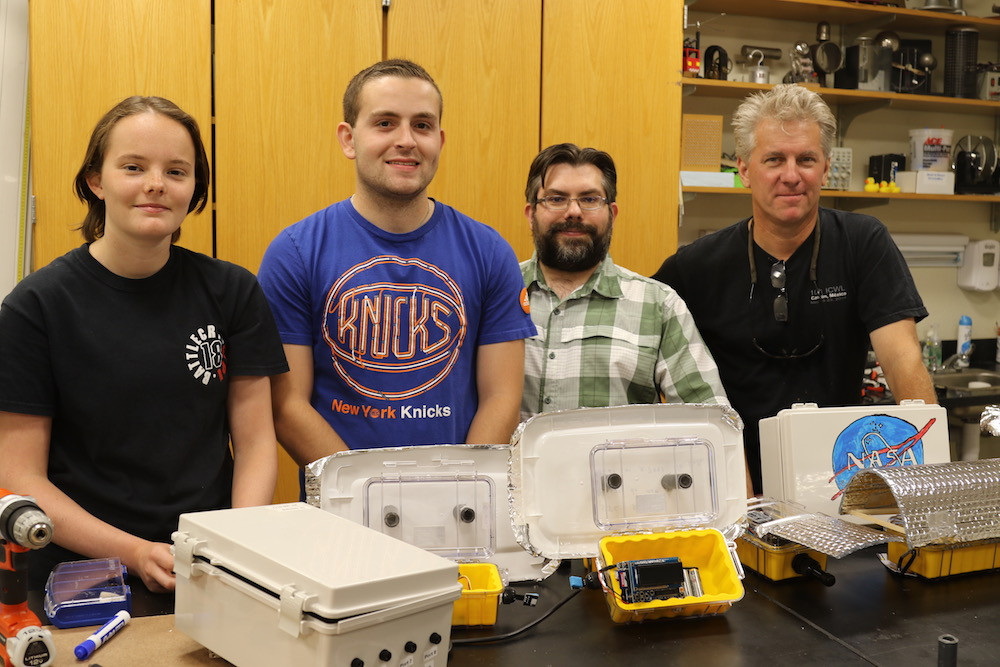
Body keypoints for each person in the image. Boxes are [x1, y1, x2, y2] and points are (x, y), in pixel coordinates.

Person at [0, 97, 288, 591]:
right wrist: (133, 552)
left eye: (176, 171)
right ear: (96, 180)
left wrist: (236, 547)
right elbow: (20, 476)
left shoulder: (233, 291)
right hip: (83, 572)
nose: (156, 184)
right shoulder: (36, 307)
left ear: (194, 187)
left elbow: (256, 442)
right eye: (133, 167)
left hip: (210, 564)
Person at [653, 84, 936, 495]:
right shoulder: (694, 267)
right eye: (774, 159)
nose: (791, 175)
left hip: (842, 483)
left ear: (825, 169)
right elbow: (646, 357)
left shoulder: (863, 242)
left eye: (806, 159)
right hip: (731, 487)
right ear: (744, 170)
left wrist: (929, 481)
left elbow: (902, 360)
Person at [257, 59, 535, 470]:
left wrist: (461, 487)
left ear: (439, 140)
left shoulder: (490, 252)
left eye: (421, 125)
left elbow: (502, 397)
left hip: (462, 498)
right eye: (385, 123)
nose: (406, 140)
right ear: (349, 139)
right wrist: (364, 490)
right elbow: (287, 405)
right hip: (341, 503)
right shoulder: (294, 252)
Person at [520, 143, 728, 421]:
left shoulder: (659, 306)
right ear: (531, 214)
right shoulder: (495, 294)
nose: (574, 211)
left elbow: (712, 421)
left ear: (612, 214)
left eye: (590, 199)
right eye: (556, 199)